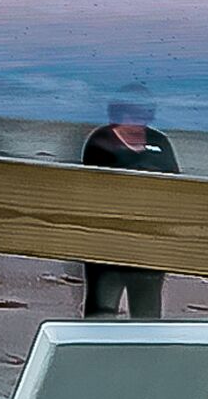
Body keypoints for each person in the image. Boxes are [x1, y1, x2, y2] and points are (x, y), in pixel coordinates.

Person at [73, 89, 176, 318]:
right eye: (131, 114)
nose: (137, 120)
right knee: (101, 311)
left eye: (142, 114)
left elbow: (174, 185)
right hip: (109, 242)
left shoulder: (160, 142)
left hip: (149, 244)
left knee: (147, 313)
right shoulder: (100, 141)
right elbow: (96, 188)